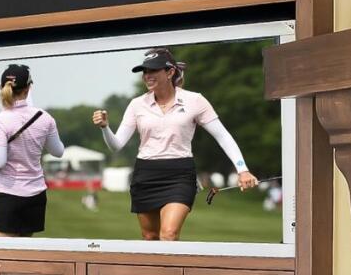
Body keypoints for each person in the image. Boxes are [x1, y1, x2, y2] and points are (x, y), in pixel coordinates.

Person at [107, 49, 259, 242]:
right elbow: (116, 145)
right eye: (145, 72)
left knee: (168, 234)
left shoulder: (195, 100)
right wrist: (105, 128)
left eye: (153, 71)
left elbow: (223, 136)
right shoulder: (137, 104)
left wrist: (242, 170)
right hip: (145, 174)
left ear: (170, 72)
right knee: (150, 237)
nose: (147, 76)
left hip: (179, 174)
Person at [0, 62, 58, 237]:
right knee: (24, 256)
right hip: (36, 194)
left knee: (3, 259)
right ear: (28, 89)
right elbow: (58, 151)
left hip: (7, 195)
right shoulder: (45, 117)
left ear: (1, 87)